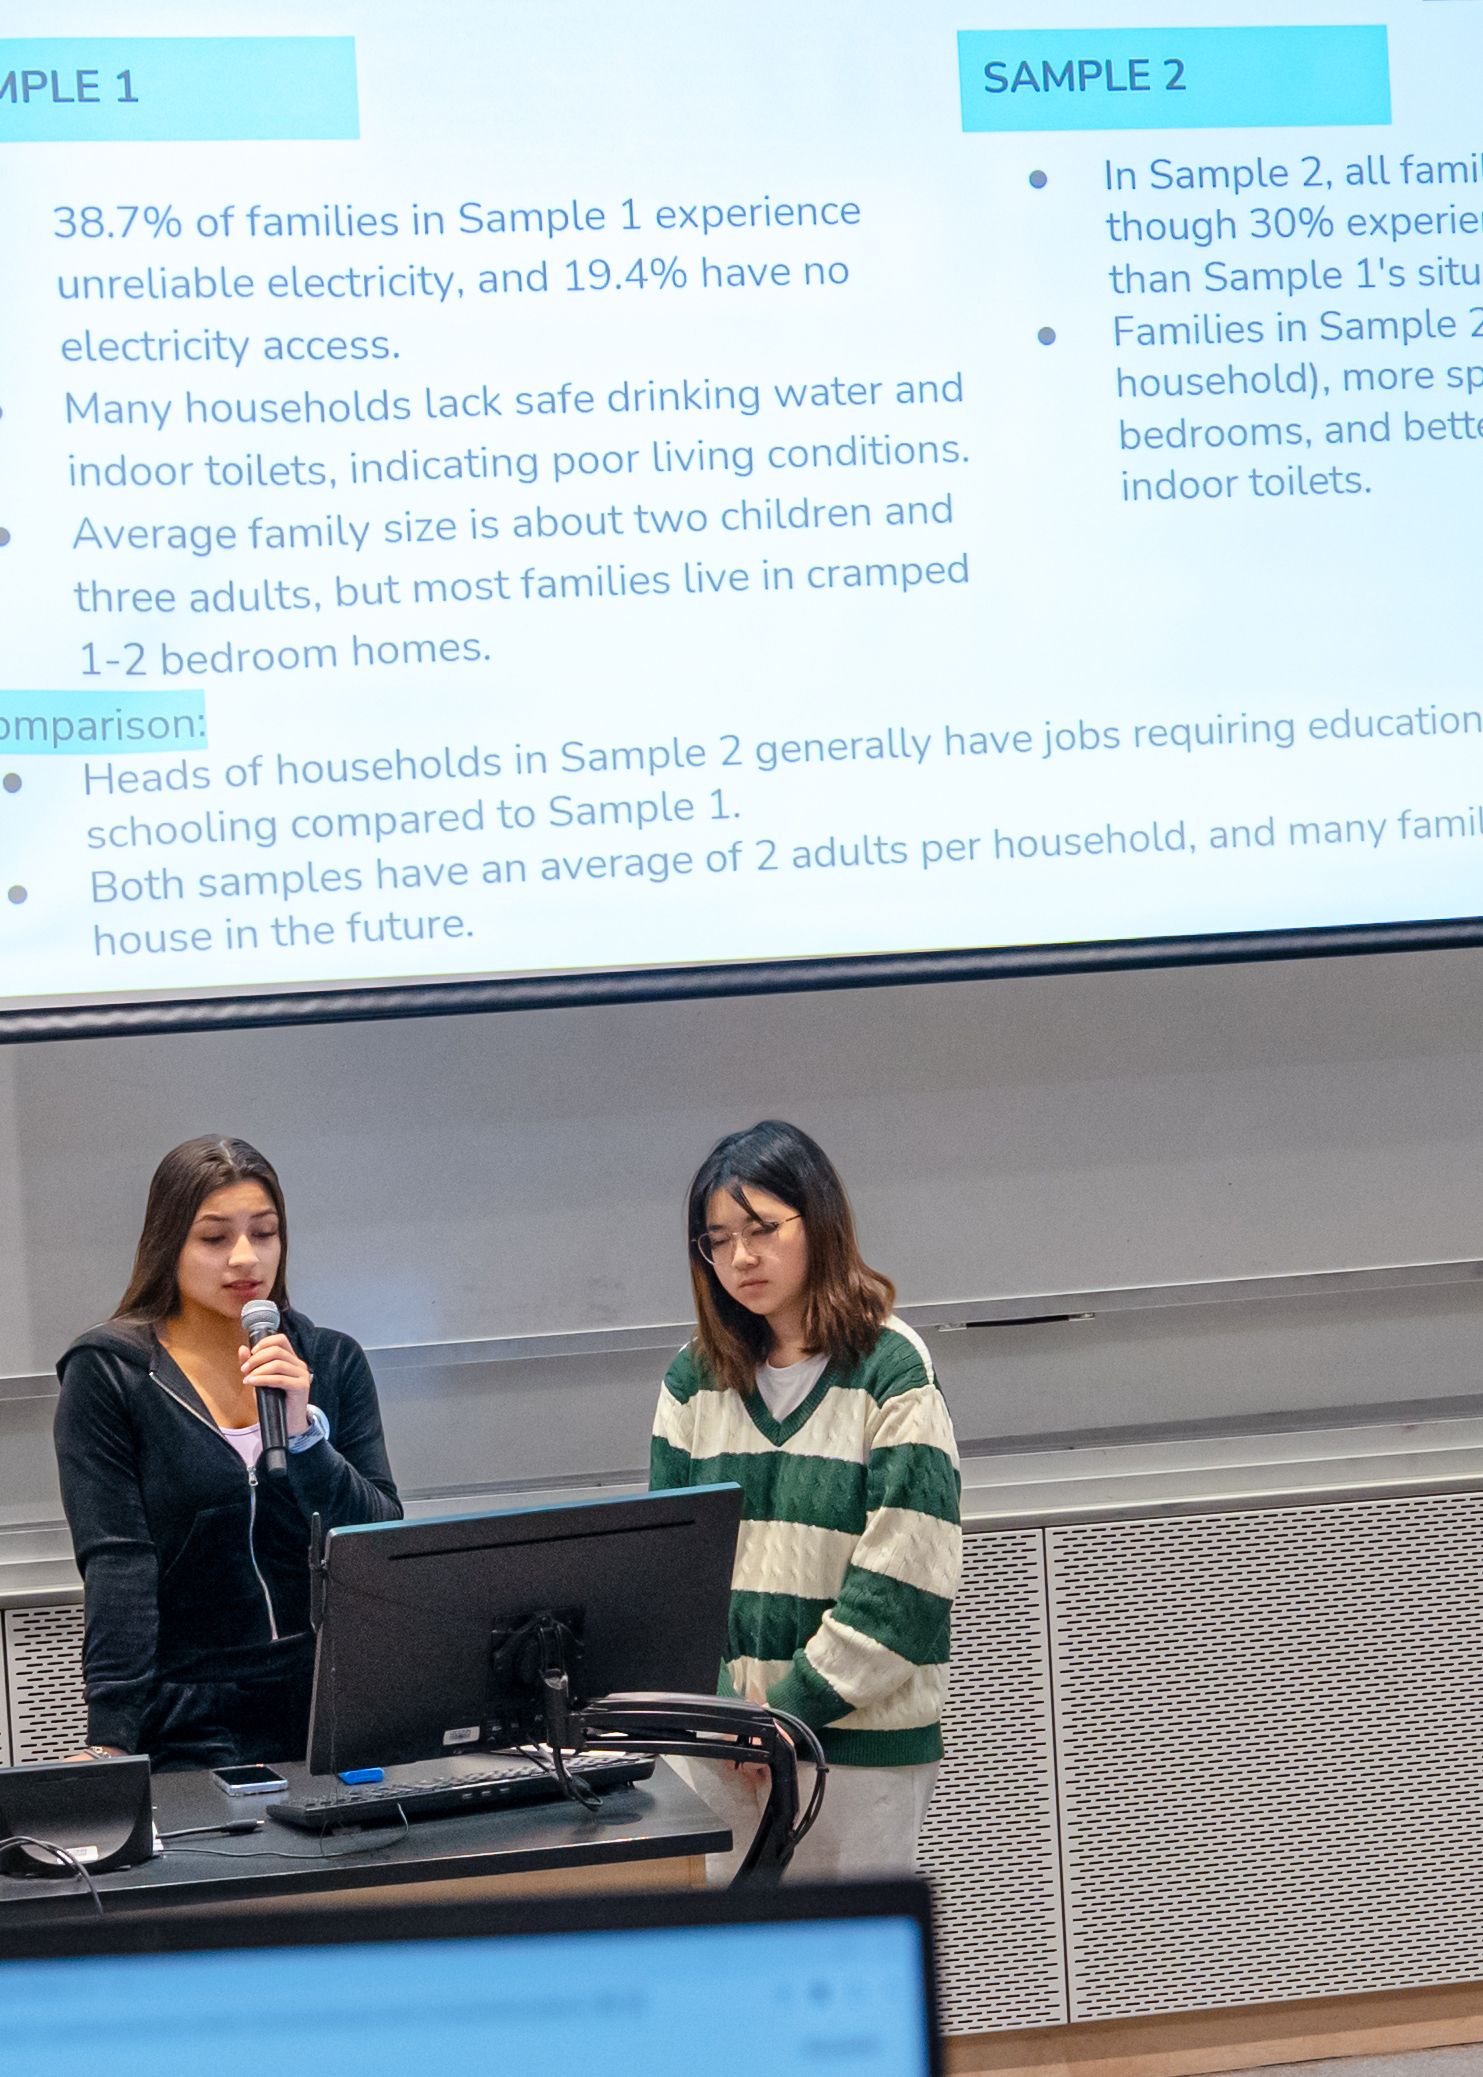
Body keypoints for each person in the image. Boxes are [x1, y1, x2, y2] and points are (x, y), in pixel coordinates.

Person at [651, 1119, 961, 1880]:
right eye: (716, 1239)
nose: (740, 1257)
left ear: (816, 1221)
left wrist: (790, 1710)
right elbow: (670, 1569)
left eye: (761, 1228)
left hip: (857, 1746)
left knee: (858, 1978)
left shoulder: (890, 1367)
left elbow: (904, 1581)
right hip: (727, 1754)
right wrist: (729, 1718)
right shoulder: (693, 1380)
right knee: (742, 1980)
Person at [53, 1136, 401, 1770]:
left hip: (329, 1692)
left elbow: (378, 1536)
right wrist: (110, 1739)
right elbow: (117, 1564)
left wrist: (304, 1439)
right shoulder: (112, 1374)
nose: (246, 1257)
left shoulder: (330, 1360)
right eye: (214, 1238)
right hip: (190, 1709)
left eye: (264, 1233)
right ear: (169, 1247)